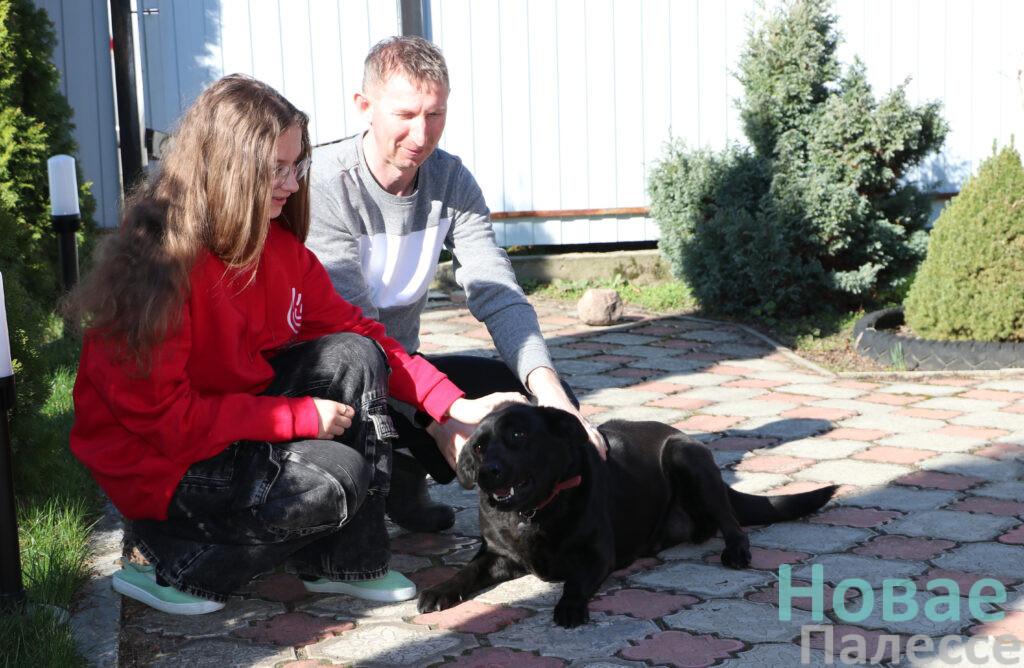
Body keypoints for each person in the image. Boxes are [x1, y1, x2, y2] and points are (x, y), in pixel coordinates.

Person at [66, 74, 520, 615]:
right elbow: (167, 422)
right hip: (156, 461)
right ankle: (170, 561)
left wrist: (451, 405)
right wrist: (293, 418)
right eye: (275, 169)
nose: (292, 183)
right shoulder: (158, 265)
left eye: (297, 165)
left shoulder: (278, 248)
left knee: (355, 355)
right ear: (229, 168)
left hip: (225, 424)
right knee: (333, 481)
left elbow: (365, 336)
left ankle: (345, 563)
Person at [307, 36, 607, 533]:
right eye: (405, 115)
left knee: (542, 410)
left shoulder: (450, 180)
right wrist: (440, 418)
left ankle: (409, 476)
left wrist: (549, 389)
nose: (421, 134)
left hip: (408, 371)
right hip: (339, 380)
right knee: (372, 376)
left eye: (435, 115)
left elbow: (497, 291)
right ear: (364, 107)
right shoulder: (325, 186)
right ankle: (379, 477)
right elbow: (358, 336)